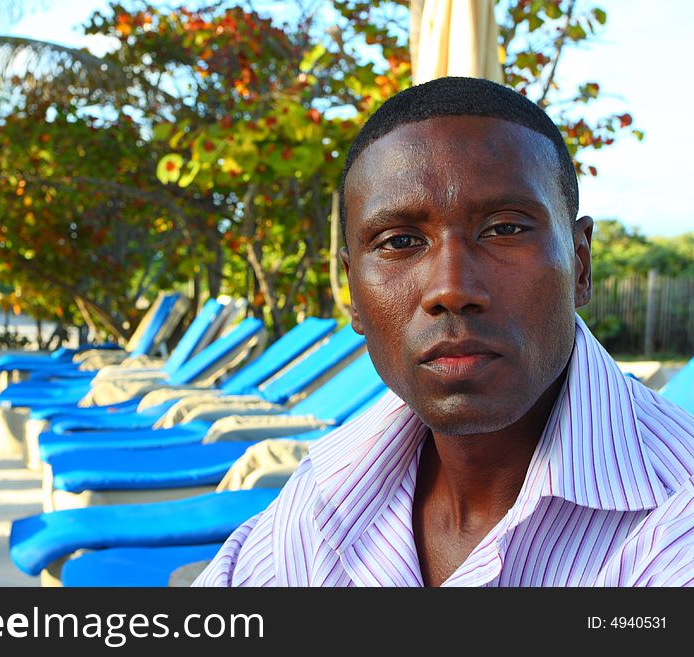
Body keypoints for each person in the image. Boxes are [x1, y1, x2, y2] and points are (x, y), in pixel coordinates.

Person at [194, 77, 694, 587]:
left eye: (504, 229)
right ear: (354, 296)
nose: (451, 289)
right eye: (401, 240)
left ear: (581, 264)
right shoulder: (327, 491)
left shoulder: (676, 524)